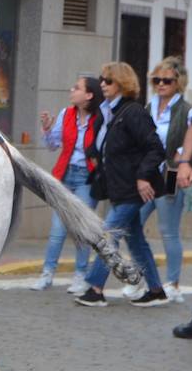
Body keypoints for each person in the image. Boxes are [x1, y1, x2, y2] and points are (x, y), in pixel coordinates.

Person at [74, 61, 168, 307]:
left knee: (108, 235)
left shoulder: (133, 112)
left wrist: (143, 176)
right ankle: (156, 290)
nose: (103, 84)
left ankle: (95, 288)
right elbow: (104, 145)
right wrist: (94, 154)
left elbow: (156, 149)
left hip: (133, 188)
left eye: (108, 80)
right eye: (101, 80)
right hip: (119, 187)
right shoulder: (108, 112)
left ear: (122, 84)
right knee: (135, 239)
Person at [33, 74, 102, 292]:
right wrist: (47, 128)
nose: (72, 91)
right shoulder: (67, 114)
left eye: (77, 88)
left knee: (81, 229)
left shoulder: (101, 118)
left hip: (87, 178)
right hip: (64, 175)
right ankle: (47, 273)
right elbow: (53, 145)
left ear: (89, 95)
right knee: (57, 229)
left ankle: (81, 274)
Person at [143, 58, 189, 301]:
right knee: (132, 223)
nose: (160, 84)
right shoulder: (149, 106)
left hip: (170, 173)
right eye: (156, 80)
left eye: (167, 80)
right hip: (148, 174)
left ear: (178, 83)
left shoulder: (186, 109)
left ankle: (172, 282)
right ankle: (145, 278)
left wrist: (182, 158)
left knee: (168, 230)